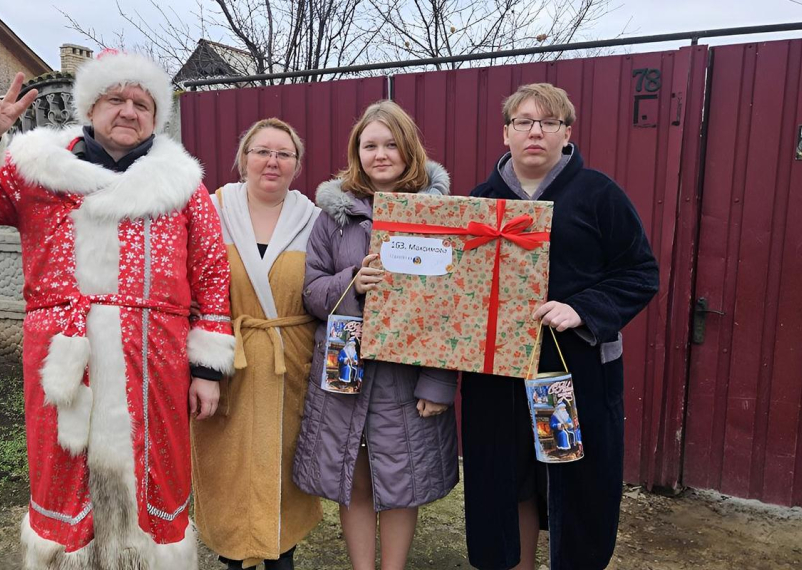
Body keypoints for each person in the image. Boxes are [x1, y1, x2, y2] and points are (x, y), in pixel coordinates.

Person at [0, 51, 235, 569]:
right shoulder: (36, 171)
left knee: (157, 474)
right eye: (116, 99)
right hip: (63, 356)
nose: (128, 111)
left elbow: (212, 273)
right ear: (90, 107)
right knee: (62, 474)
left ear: (156, 117)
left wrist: (207, 370)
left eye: (142, 104)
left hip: (155, 359)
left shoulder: (182, 187)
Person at [461, 83, 659, 570]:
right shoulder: (480, 202)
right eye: (524, 122)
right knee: (507, 482)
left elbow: (640, 272)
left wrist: (584, 309)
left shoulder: (599, 194)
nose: (536, 132)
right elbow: (455, 286)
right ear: (506, 132)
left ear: (566, 133)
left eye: (549, 122)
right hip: (498, 379)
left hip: (576, 373)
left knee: (576, 487)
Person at [292, 100, 459, 570]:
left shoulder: (439, 214)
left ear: (409, 149)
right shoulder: (333, 217)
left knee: (402, 481)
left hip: (405, 376)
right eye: (369, 146)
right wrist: (352, 283)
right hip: (347, 369)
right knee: (356, 477)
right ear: (357, 152)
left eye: (390, 144)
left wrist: (439, 382)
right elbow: (311, 292)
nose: (380, 154)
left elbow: (455, 307)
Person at [191, 118, 322, 570]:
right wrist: (199, 366)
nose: (272, 161)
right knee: (229, 470)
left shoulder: (315, 220)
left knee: (285, 468)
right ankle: (233, 556)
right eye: (262, 151)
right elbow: (190, 284)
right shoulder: (211, 210)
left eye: (284, 154)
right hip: (229, 362)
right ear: (243, 158)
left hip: (291, 363)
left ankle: (283, 556)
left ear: (297, 165)